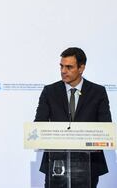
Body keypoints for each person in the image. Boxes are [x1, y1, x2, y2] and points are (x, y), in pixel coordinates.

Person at [34, 47, 112, 188]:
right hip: (56, 164)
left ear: (81, 68)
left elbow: (105, 127)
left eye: (69, 67)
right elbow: (39, 125)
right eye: (62, 66)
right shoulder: (49, 91)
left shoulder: (98, 92)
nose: (63, 71)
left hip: (89, 165)